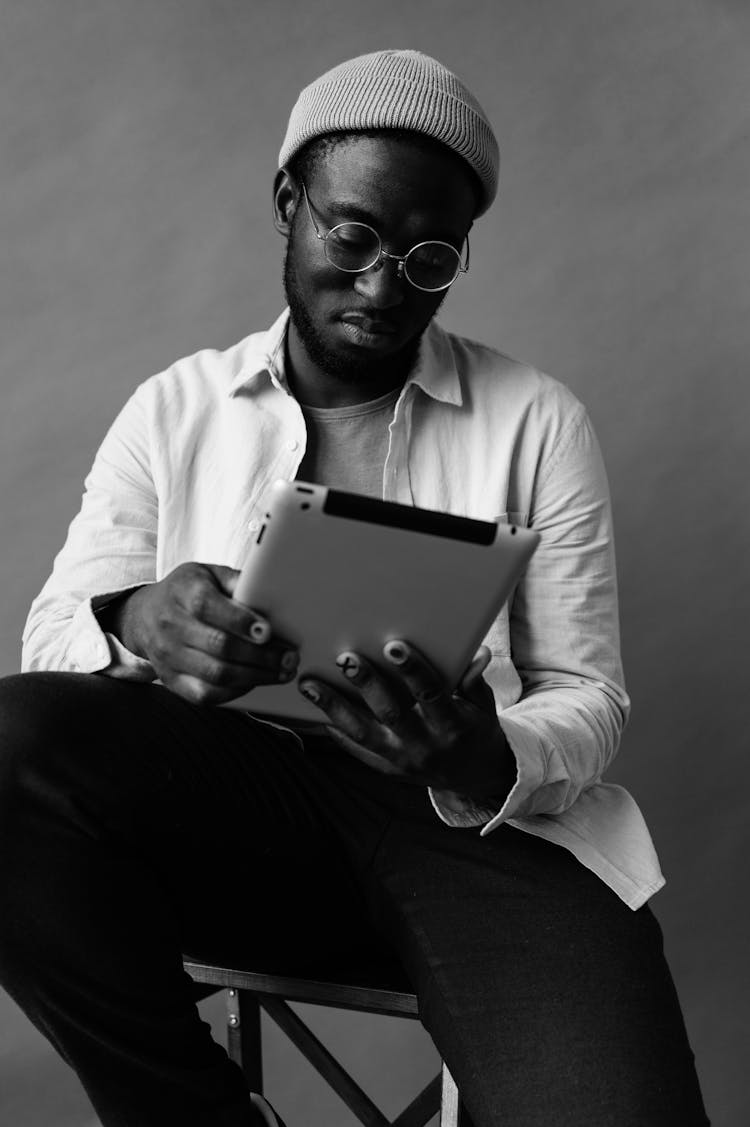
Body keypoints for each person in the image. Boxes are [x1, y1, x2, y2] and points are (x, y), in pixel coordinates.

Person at [0, 50, 709, 1127]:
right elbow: (52, 639)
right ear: (290, 204)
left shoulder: (537, 417)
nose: (382, 287)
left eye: (428, 258)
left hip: (473, 833)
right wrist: (135, 620)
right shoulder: (177, 407)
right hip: (242, 821)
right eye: (354, 235)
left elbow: (587, 694)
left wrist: (483, 750)